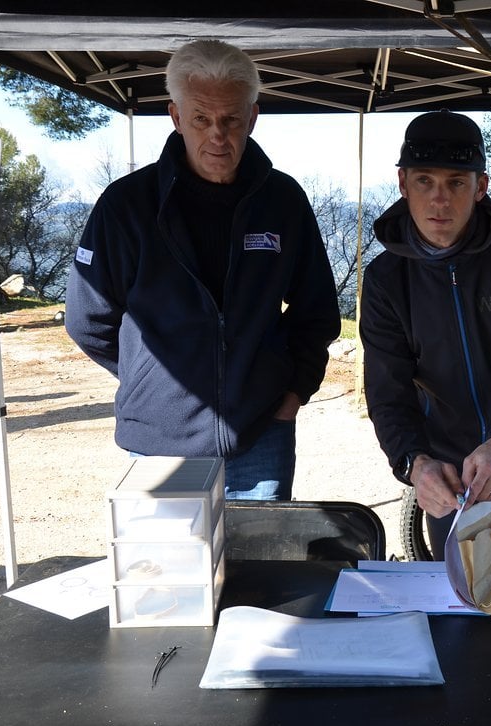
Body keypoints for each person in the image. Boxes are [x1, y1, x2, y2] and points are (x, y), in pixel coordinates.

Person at [65, 40, 341, 501]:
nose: (218, 134)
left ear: (252, 117)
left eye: (231, 119)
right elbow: (88, 320)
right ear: (176, 116)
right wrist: (156, 378)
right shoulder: (126, 205)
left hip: (260, 436)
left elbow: (316, 310)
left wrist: (291, 393)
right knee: (168, 572)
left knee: (259, 570)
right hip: (158, 446)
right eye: (201, 119)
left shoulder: (283, 201)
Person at [360, 109, 491, 552]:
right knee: (461, 606)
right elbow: (387, 391)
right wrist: (414, 463)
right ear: (403, 184)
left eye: (456, 183)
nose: (439, 200)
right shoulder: (386, 278)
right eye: (425, 181)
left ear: (480, 187)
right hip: (451, 472)